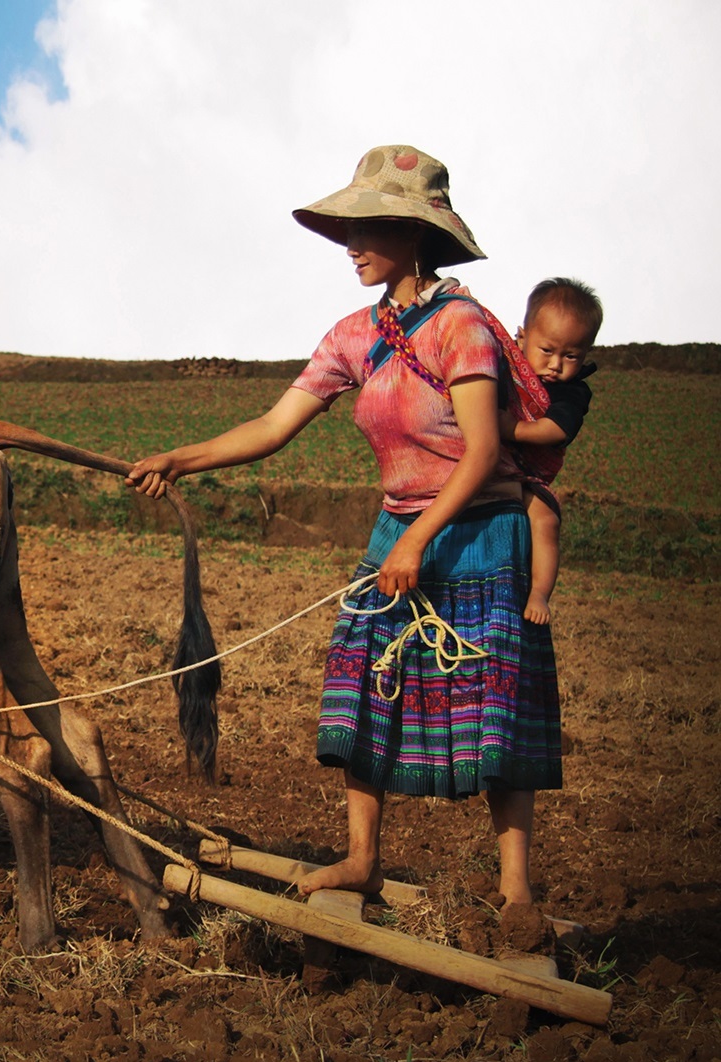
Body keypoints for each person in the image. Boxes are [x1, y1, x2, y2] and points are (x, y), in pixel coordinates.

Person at [126, 145, 559, 910]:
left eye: (367, 228)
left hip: (481, 531)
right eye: (346, 230)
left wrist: (420, 540)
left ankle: (516, 890)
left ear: (414, 233)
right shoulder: (355, 335)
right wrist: (179, 459)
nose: (350, 245)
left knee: (494, 705)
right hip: (397, 529)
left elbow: (483, 450)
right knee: (362, 685)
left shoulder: (461, 326)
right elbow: (273, 425)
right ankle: (361, 857)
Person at [505, 278, 604, 625]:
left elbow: (557, 430)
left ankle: (539, 593)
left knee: (546, 521)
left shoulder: (572, 392)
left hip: (530, 477)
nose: (556, 365)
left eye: (570, 356)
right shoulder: (505, 366)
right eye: (547, 350)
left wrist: (512, 429)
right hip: (488, 463)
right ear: (521, 339)